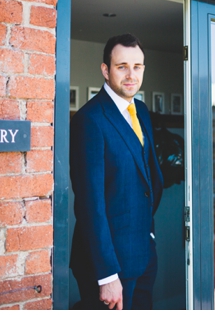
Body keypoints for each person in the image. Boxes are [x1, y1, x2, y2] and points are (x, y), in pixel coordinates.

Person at [70, 34, 164, 310]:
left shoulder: (142, 111)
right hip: (108, 268)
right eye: (122, 66)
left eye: (138, 66)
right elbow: (90, 205)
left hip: (143, 255)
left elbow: (148, 180)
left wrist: (149, 235)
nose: (131, 74)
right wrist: (107, 274)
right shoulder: (90, 120)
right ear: (105, 70)